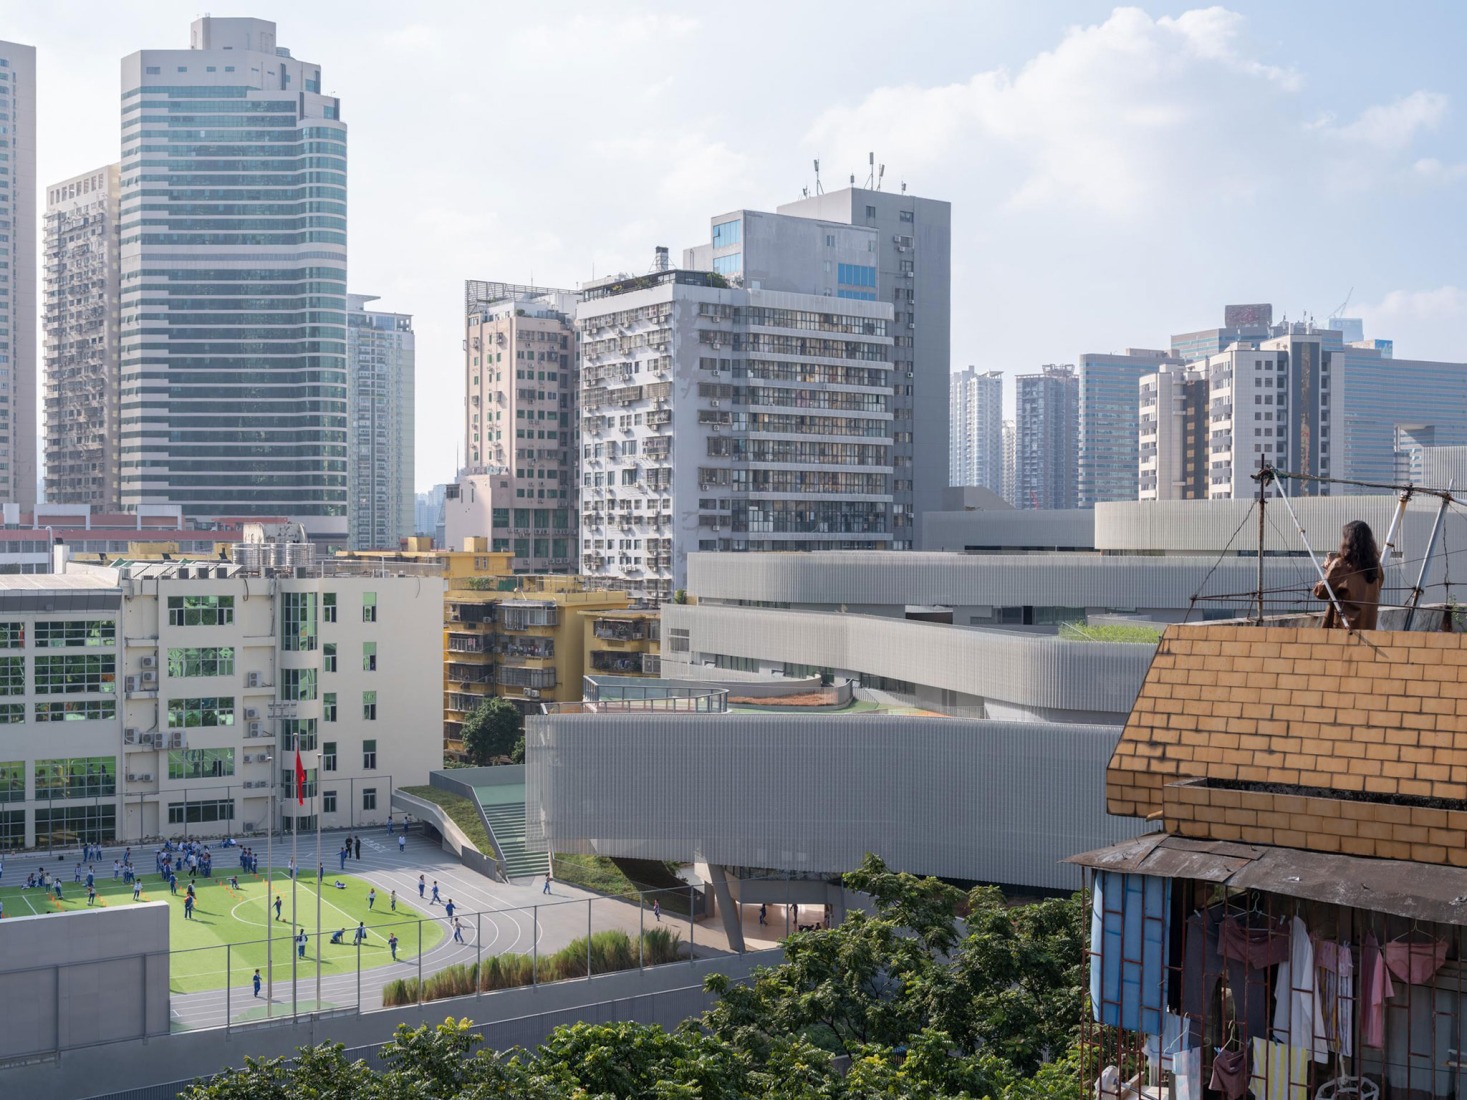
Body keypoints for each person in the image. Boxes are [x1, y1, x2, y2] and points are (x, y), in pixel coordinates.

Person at [1314, 519, 1384, 631]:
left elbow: (1320, 592)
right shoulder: (1377, 567)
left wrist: (1329, 569)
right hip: (1368, 627)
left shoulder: (1340, 565)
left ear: (1348, 541)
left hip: (1343, 628)